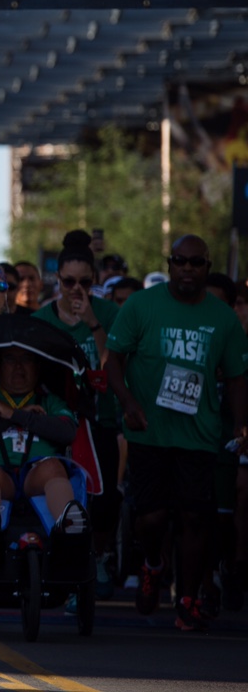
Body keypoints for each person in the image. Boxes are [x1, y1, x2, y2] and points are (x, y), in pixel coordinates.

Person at [107, 234, 248, 632]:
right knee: (151, 518)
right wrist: (129, 403)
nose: (187, 268)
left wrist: (240, 423)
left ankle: (186, 600)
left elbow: (237, 377)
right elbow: (113, 361)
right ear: (169, 265)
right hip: (148, 431)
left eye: (196, 262)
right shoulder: (141, 305)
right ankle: (152, 564)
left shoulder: (222, 318)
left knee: (193, 518)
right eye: (179, 261)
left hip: (197, 435)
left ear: (207, 266)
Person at [33, 230, 121, 606]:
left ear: (95, 281)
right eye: (68, 282)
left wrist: (92, 323)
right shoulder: (41, 318)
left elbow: (112, 368)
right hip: (57, 420)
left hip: (100, 418)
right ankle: (63, 570)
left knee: (102, 501)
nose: (76, 289)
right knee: (64, 497)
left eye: (85, 282)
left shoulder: (110, 314)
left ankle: (98, 557)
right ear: (57, 280)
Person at [0, 346, 85, 533]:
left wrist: (17, 415)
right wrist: (2, 421)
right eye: (10, 359)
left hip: (36, 474)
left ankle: (70, 530)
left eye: (27, 359)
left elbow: (68, 432)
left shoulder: (49, 400)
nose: (19, 366)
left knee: (54, 466)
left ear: (37, 367)